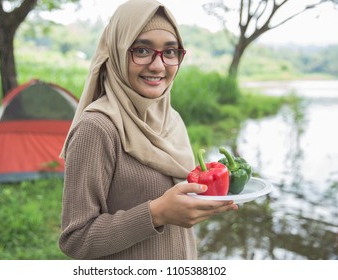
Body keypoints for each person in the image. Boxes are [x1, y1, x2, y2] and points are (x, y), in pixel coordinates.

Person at [58, 0, 238, 260]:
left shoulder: (170, 118)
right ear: (118, 52)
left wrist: (203, 203)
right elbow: (76, 239)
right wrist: (156, 214)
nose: (158, 65)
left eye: (170, 51)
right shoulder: (97, 128)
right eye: (142, 50)